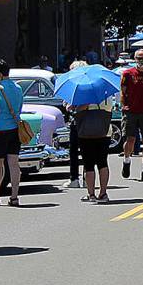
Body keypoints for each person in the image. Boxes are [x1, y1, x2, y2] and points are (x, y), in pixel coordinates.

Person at [0, 59, 24, 207]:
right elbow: (19, 108)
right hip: (15, 129)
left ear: (0, 74)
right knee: (14, 163)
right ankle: (14, 196)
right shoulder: (18, 88)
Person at [119, 49, 143, 181]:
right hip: (131, 111)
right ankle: (126, 160)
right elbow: (122, 92)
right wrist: (124, 106)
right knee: (130, 139)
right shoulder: (128, 74)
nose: (141, 61)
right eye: (139, 58)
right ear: (134, 59)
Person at [73, 92, 114, 203]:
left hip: (87, 131)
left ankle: (91, 194)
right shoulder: (107, 94)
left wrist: (75, 107)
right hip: (104, 131)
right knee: (103, 162)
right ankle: (103, 193)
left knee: (89, 164)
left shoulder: (86, 94)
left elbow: (80, 109)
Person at [63, 59, 89, 189]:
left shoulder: (77, 85)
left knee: (75, 151)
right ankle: (84, 178)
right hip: (85, 121)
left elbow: (71, 105)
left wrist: (71, 107)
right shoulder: (88, 85)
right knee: (84, 151)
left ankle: (75, 178)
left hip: (78, 120)